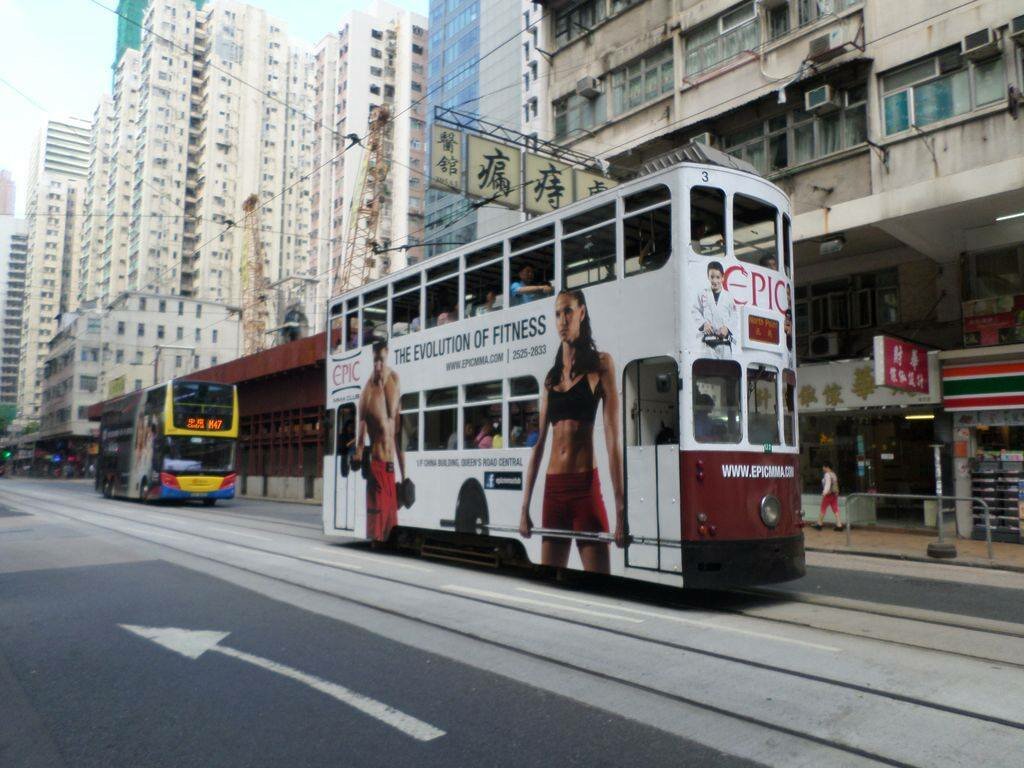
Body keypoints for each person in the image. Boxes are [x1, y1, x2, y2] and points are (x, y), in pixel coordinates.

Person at [519, 289, 626, 574]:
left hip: (584, 488)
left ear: (582, 312)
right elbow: (539, 444)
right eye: (557, 314)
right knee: (551, 582)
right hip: (553, 490)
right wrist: (524, 508)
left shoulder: (601, 365)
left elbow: (613, 440)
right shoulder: (551, 378)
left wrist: (620, 511)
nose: (562, 320)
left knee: (600, 584)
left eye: (568, 311)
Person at [353, 338, 407, 542]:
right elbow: (359, 442)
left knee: (392, 530)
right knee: (378, 534)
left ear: (387, 355)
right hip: (377, 468)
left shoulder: (395, 380)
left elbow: (398, 434)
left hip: (391, 471)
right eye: (375, 361)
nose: (378, 366)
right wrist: (358, 457)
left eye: (381, 360)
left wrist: (405, 475)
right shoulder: (366, 394)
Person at [691, 260, 738, 358]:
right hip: (708, 343)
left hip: (724, 342)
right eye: (712, 277)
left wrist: (727, 328)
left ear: (723, 278)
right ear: (708, 276)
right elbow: (694, 311)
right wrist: (704, 324)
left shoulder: (728, 297)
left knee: (726, 371)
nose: (714, 280)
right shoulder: (702, 293)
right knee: (708, 371)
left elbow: (734, 317)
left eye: (718, 277)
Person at [814, 461, 842, 531]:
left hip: (828, 494)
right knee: (835, 509)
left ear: (827, 467)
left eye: (824, 467)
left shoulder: (827, 475)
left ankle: (819, 524)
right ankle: (839, 525)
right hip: (834, 494)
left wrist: (824, 493)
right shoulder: (833, 474)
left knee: (823, 508)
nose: (823, 468)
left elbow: (827, 485)